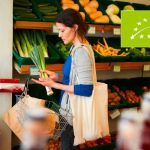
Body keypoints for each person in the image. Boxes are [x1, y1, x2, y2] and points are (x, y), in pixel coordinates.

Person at [32, 8, 95, 150]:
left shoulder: (81, 52)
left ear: (75, 27)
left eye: (62, 30)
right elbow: (74, 76)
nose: (59, 35)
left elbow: (86, 89)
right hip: (68, 112)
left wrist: (54, 84)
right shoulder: (76, 48)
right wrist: (57, 76)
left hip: (73, 115)